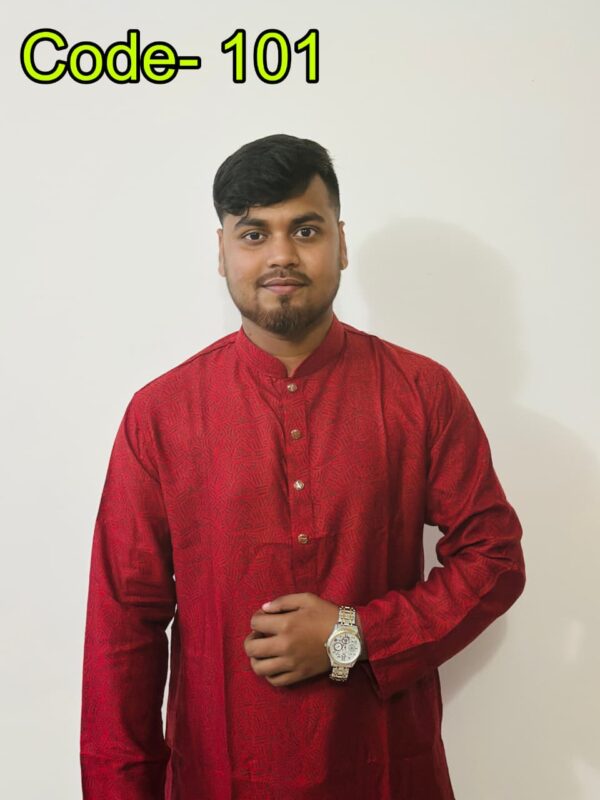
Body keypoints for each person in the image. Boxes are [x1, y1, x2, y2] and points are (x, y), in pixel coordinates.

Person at [80, 133, 526, 800]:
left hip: (385, 775)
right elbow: (122, 632)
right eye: (254, 234)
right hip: (218, 780)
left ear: (341, 243)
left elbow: (495, 560)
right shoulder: (162, 415)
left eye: (306, 230)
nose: (281, 255)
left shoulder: (419, 393)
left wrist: (352, 637)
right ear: (222, 252)